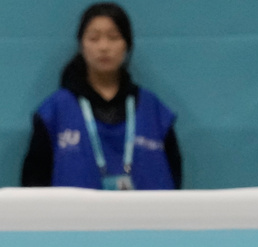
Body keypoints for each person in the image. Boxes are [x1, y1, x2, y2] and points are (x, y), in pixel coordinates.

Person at [21, 2, 182, 190]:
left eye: (113, 37)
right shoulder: (54, 111)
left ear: (127, 45)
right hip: (74, 219)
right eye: (94, 38)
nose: (104, 47)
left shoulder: (154, 111)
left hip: (142, 219)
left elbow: (175, 182)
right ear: (81, 45)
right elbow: (33, 185)